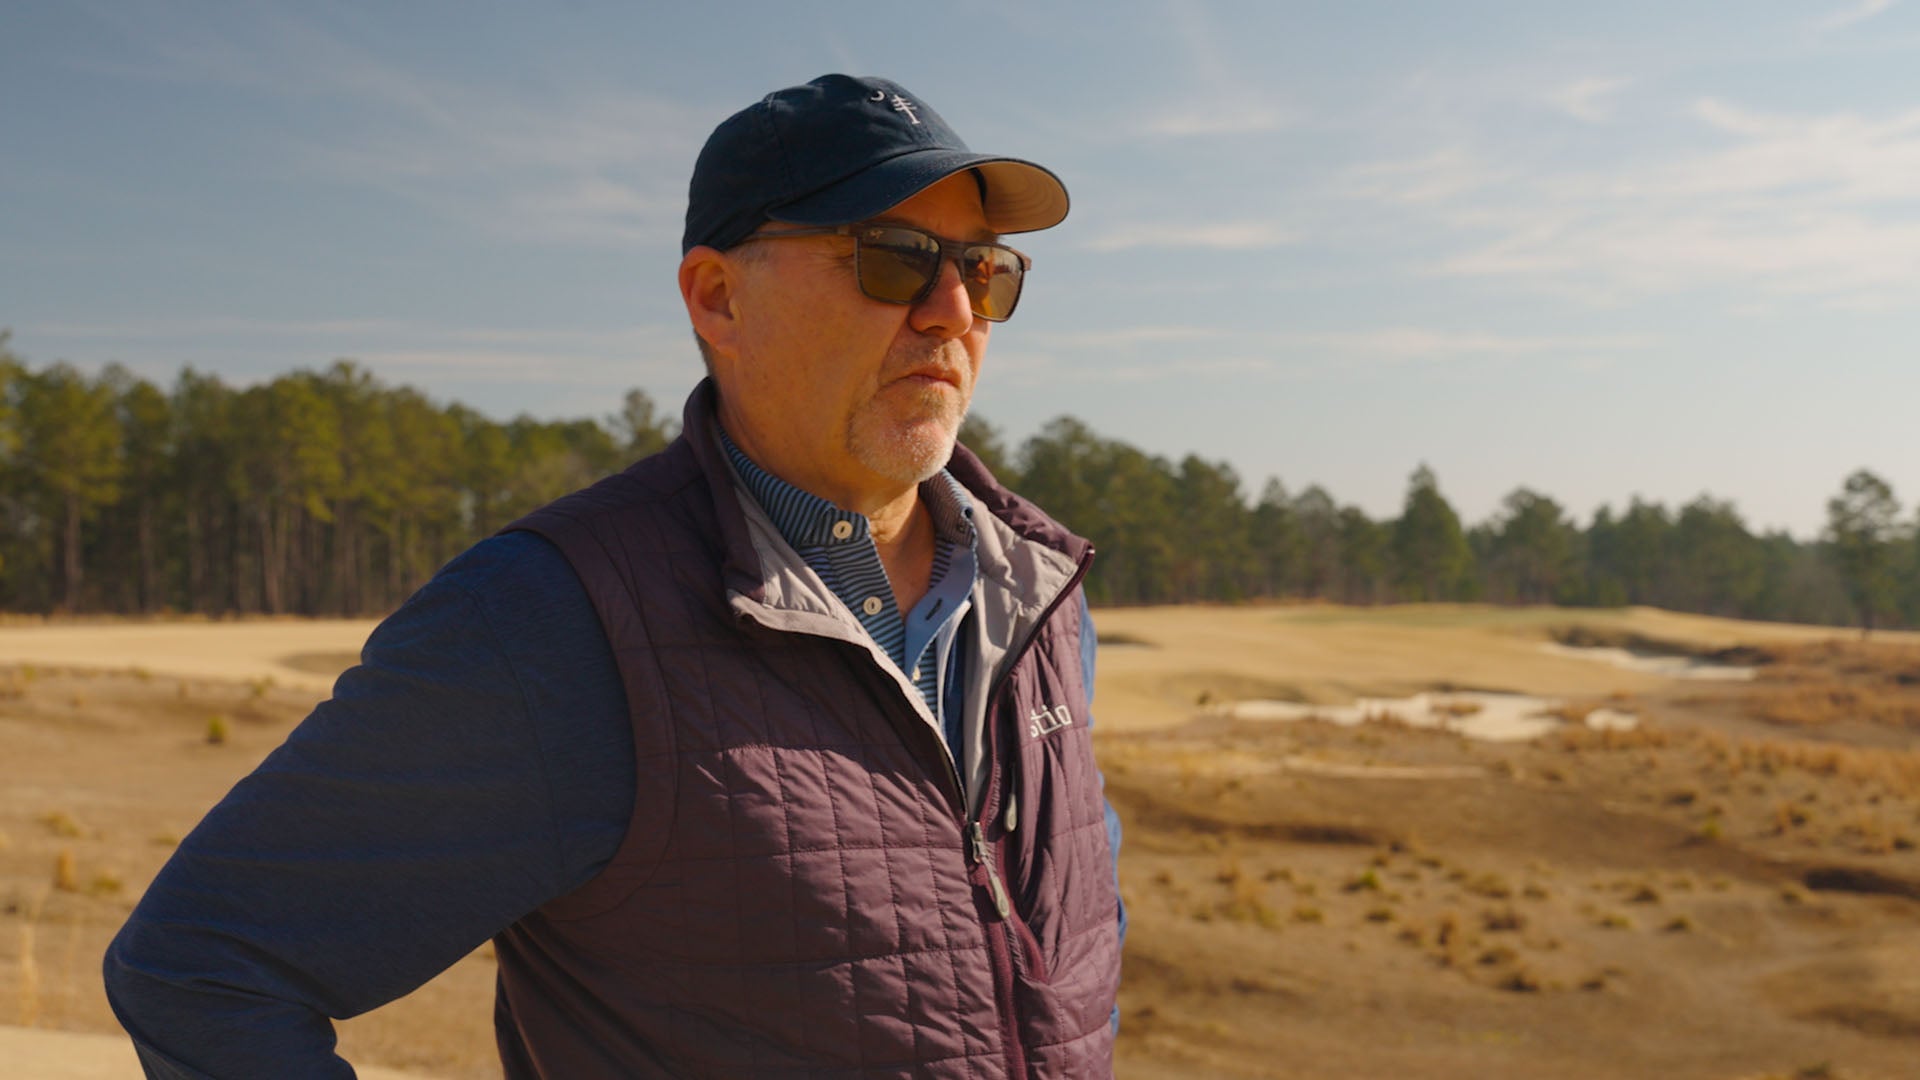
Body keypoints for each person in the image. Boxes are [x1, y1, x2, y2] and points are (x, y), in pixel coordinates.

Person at [104, 73, 1124, 1078]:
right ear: (718, 298)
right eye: (896, 259)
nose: (954, 312)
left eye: (985, 269)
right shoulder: (554, 619)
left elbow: (1073, 935)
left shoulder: (1039, 598)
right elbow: (201, 972)